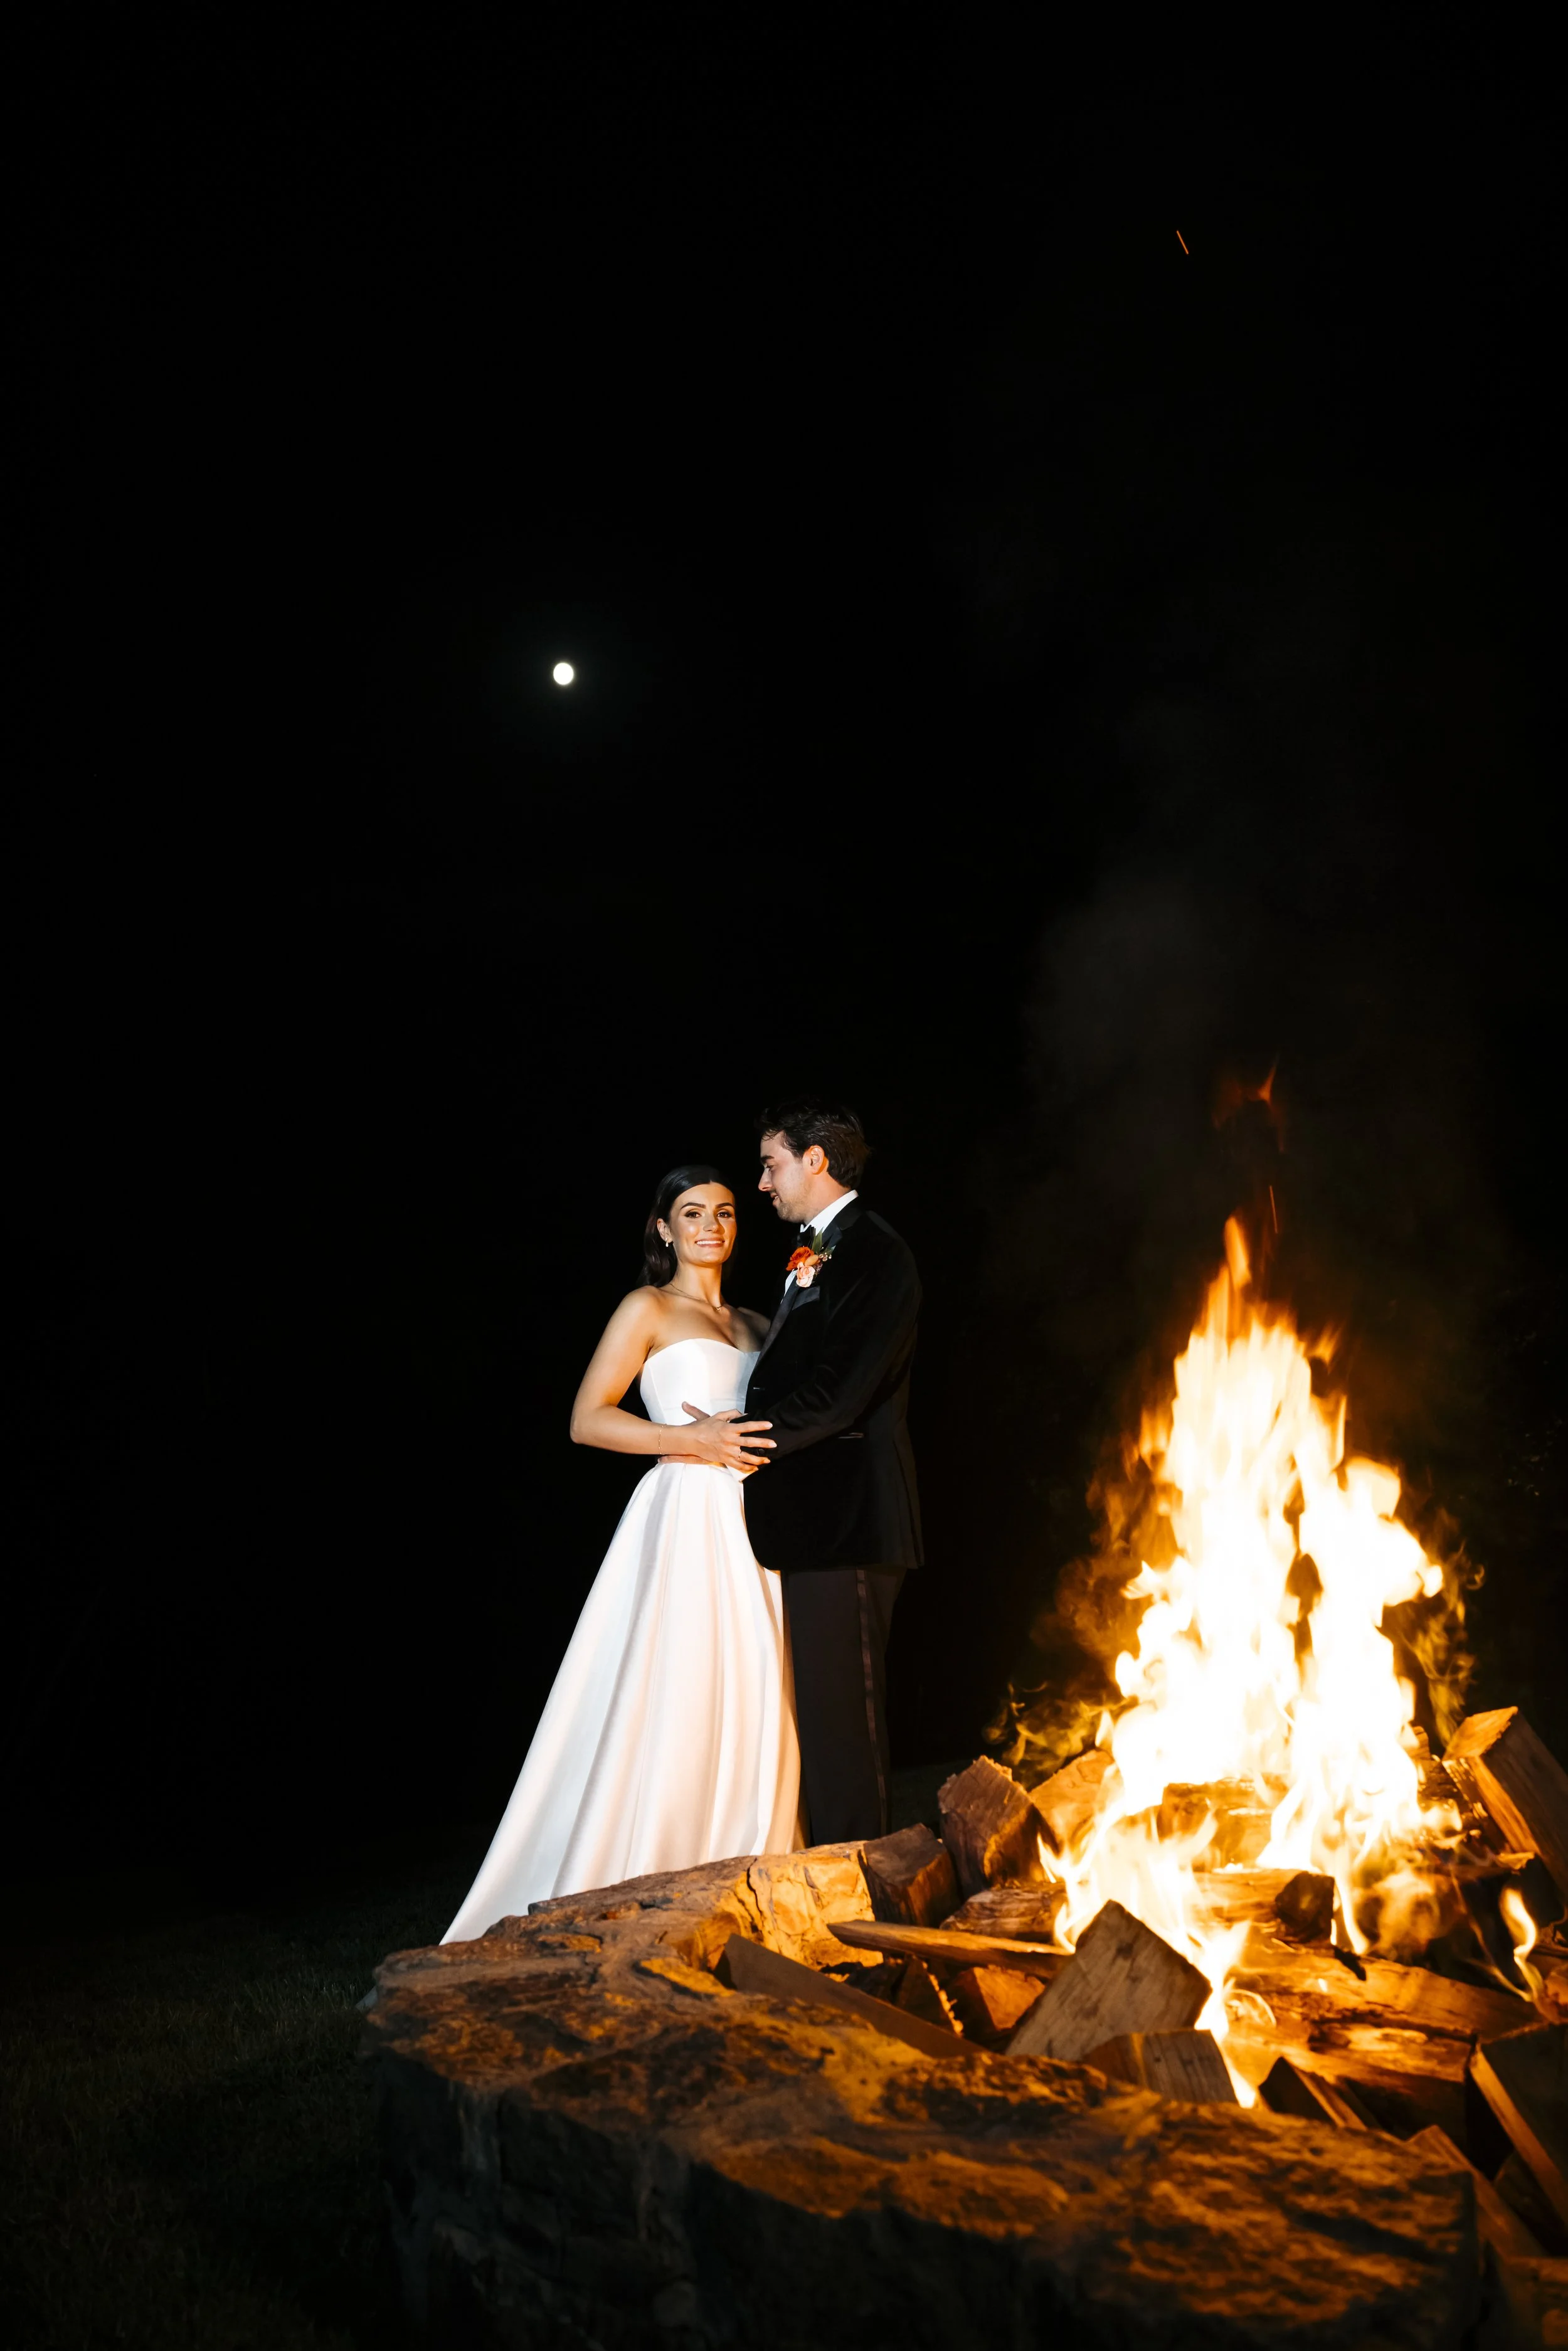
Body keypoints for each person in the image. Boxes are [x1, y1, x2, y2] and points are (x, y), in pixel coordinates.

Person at [442, 1166, 799, 1941]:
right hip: (684, 1511)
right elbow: (586, 1419)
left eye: (726, 1212)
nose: (712, 1225)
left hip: (758, 1525)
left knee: (760, 1680)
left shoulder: (760, 1324)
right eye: (692, 1212)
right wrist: (688, 1439)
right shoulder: (647, 1307)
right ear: (664, 1228)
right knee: (677, 1681)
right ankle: (652, 1859)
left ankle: (750, 1861)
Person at [744, 1101, 922, 1844]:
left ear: (815, 1160)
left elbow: (841, 1391)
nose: (762, 1183)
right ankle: (831, 1886)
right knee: (818, 1720)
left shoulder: (875, 1253)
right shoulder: (822, 1249)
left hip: (849, 1522)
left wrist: (738, 1441)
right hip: (814, 1528)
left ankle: (867, 1904)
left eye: (771, 1163)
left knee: (845, 1731)